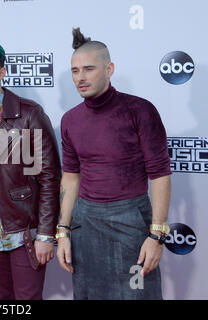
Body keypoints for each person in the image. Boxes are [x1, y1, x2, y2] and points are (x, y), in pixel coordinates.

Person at [56, 28, 172, 300]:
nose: (80, 78)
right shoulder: (70, 120)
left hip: (131, 224)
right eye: (74, 71)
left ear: (109, 68)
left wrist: (156, 236)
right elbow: (71, 178)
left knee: (137, 295)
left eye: (88, 69)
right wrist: (62, 231)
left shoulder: (140, 111)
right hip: (84, 226)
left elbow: (160, 175)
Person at [0, 38, 61, 300]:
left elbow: (50, 177)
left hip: (24, 233)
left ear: (1, 72)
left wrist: (45, 234)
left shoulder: (29, 114)